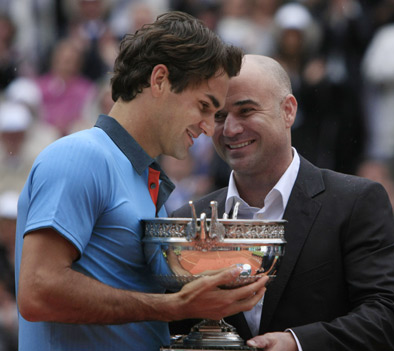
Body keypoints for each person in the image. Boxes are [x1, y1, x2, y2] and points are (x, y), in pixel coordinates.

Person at [15, 12, 269, 351]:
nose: (209, 128)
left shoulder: (144, 180)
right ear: (160, 80)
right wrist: (174, 307)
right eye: (204, 106)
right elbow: (38, 290)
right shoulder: (80, 156)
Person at [170, 54, 394, 351]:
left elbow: (388, 316)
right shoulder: (189, 219)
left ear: (288, 111)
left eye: (246, 111)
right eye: (220, 115)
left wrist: (298, 343)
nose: (230, 129)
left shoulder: (355, 202)